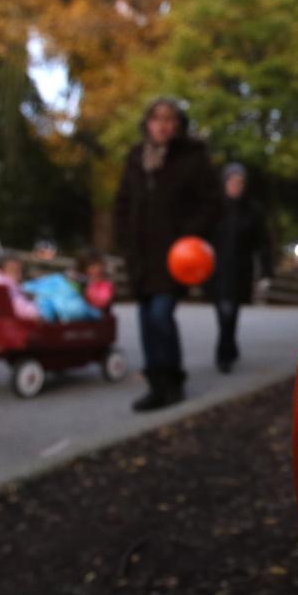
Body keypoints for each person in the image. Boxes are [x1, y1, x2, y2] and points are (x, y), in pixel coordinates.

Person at [114, 98, 221, 412]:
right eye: (156, 118)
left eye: (169, 119)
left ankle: (172, 380)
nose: (162, 124)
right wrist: (124, 240)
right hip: (141, 256)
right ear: (147, 123)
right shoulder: (137, 157)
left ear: (178, 125)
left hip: (176, 256)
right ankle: (156, 385)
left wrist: (188, 235)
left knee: (161, 314)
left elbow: (212, 204)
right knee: (146, 318)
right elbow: (122, 202)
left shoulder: (193, 158)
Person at [210, 163, 273, 373]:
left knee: (231, 311)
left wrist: (266, 270)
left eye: (240, 182)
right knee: (222, 312)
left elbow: (263, 241)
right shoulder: (214, 209)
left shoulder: (252, 211)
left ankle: (224, 354)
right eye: (232, 181)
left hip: (239, 270)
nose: (236, 186)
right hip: (216, 270)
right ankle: (228, 347)